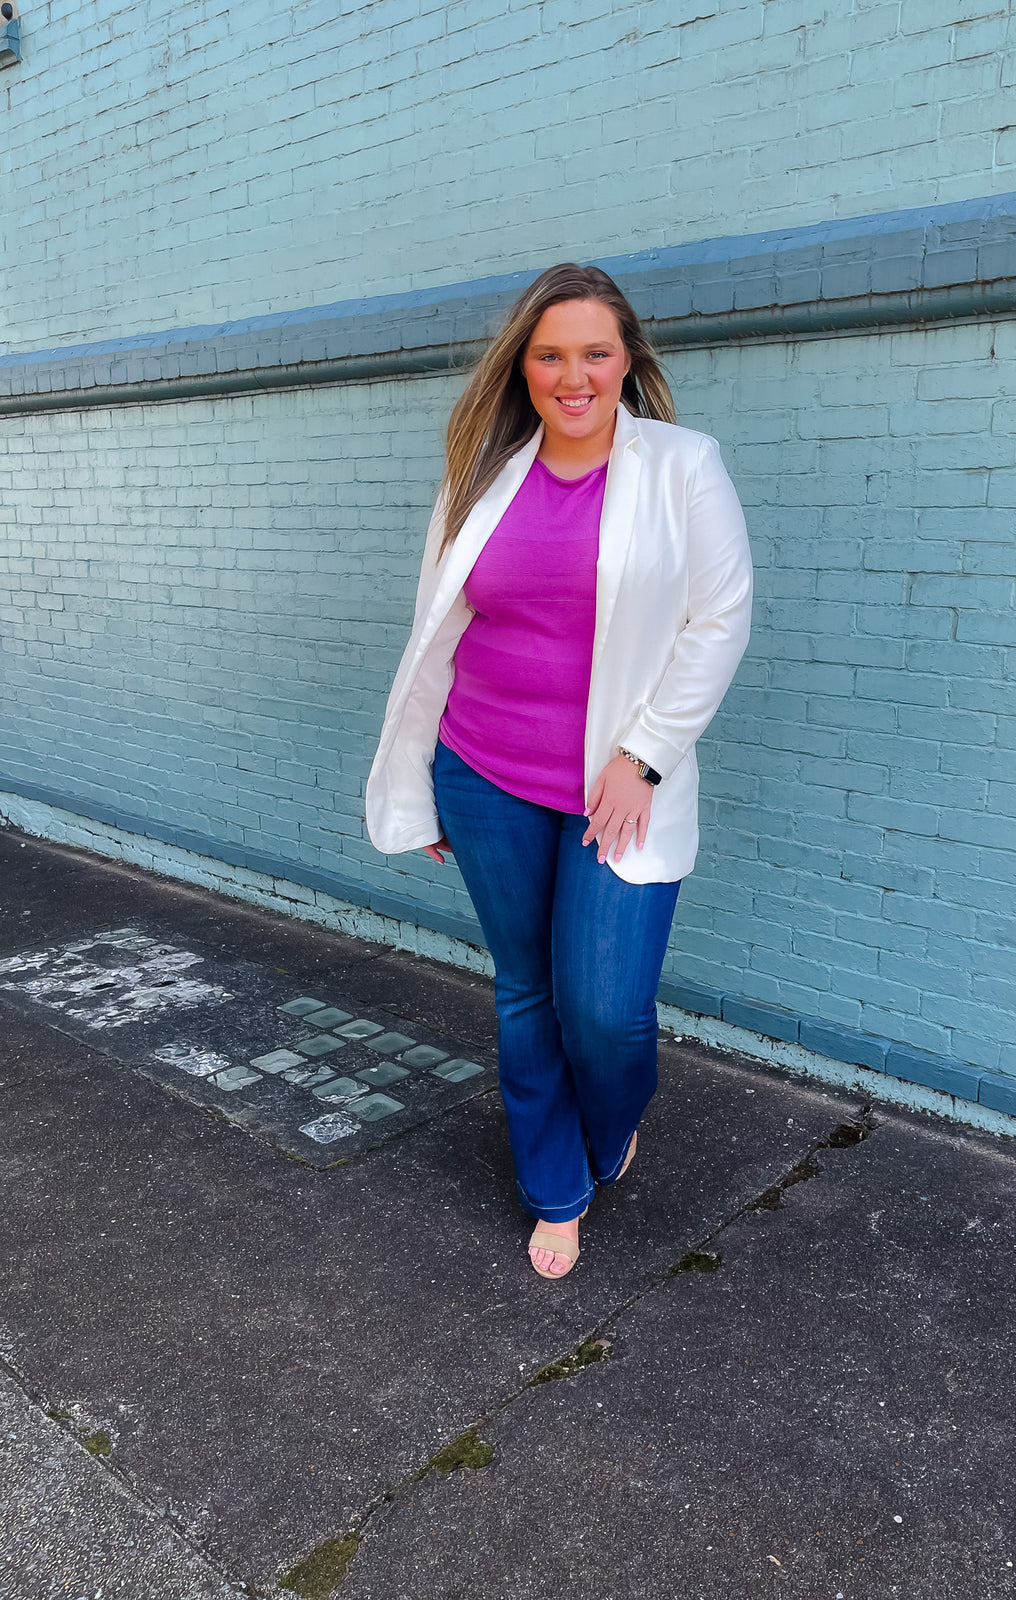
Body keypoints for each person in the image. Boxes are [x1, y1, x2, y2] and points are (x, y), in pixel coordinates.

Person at [365, 263, 752, 1280]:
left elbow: (720, 621)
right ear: (523, 367)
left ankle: (610, 1119)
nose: (571, 374)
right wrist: (425, 775)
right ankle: (556, 1187)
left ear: (628, 360)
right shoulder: (480, 475)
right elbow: (434, 636)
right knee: (527, 990)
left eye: (594, 351)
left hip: (616, 791)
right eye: (549, 354)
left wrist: (646, 757)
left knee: (606, 1011)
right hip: (483, 774)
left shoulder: (683, 466)